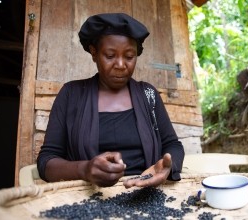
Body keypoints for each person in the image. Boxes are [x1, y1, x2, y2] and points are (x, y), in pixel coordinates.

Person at [37, 13, 185, 189]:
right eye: (110, 55)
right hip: (88, 199)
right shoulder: (71, 94)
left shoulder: (148, 94)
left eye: (129, 56)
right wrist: (85, 169)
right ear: (94, 53)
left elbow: (172, 145)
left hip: (146, 194)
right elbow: (46, 162)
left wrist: (167, 166)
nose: (121, 64)